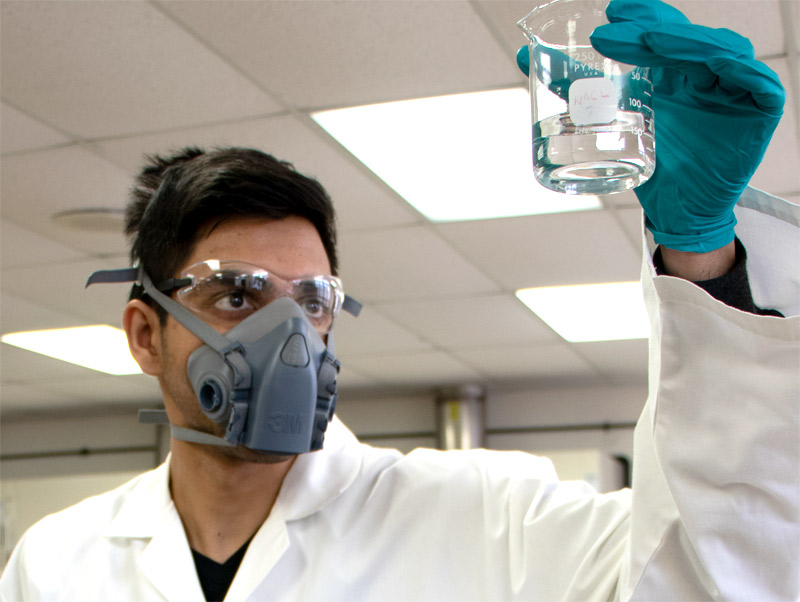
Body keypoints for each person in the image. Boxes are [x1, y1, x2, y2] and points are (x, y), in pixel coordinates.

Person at [2, 0, 798, 600]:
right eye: (236, 294)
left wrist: (701, 253)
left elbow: (714, 574)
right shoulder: (58, 560)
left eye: (311, 299)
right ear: (144, 333)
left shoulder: (485, 519)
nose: (290, 336)